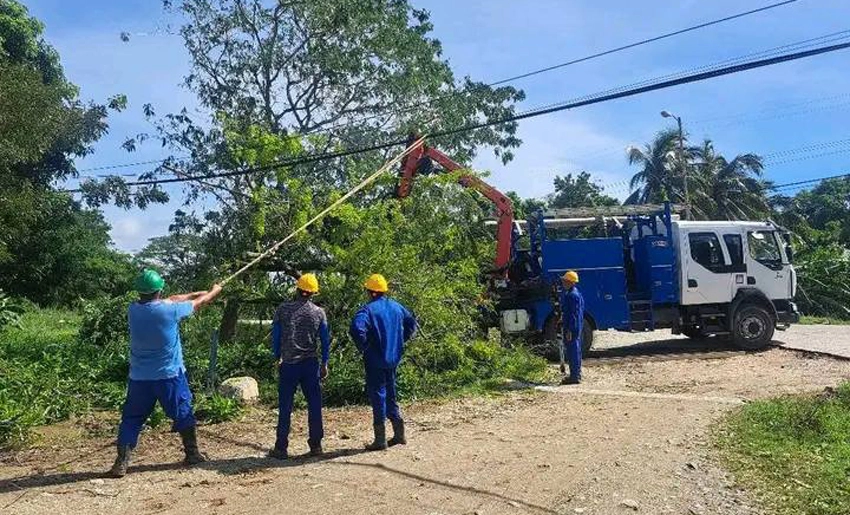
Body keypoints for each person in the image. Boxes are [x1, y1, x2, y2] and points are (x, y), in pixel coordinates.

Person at [108, 269, 222, 478]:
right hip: (169, 375)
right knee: (183, 411)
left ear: (140, 292)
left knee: (131, 419)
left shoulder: (133, 309)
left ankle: (122, 461)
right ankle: (192, 453)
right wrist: (214, 291)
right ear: (159, 290)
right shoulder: (169, 312)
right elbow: (200, 304)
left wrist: (194, 292)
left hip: (139, 378)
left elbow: (171, 299)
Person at [349, 274, 417, 451]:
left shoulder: (367, 310)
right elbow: (411, 323)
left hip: (375, 360)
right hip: (393, 358)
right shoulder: (396, 307)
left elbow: (356, 329)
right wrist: (401, 340)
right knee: (391, 393)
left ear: (371, 292)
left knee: (378, 395)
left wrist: (364, 347)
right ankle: (399, 433)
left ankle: (380, 440)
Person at [268, 273, 330, 460]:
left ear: (297, 289)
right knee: (314, 405)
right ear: (313, 293)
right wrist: (325, 363)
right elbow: (325, 340)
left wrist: (277, 356)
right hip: (310, 364)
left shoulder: (283, 309)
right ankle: (316, 445)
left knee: (285, 406)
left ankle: (281, 447)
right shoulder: (319, 313)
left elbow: (276, 337)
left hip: (289, 364)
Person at [559, 270, 585, 385]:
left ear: (570, 282)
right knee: (576, 350)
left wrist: (569, 329)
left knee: (572, 351)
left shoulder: (571, 295)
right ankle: (577, 374)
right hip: (576, 325)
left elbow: (573, 314)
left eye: (565, 281)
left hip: (572, 327)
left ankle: (574, 376)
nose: (563, 282)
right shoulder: (576, 293)